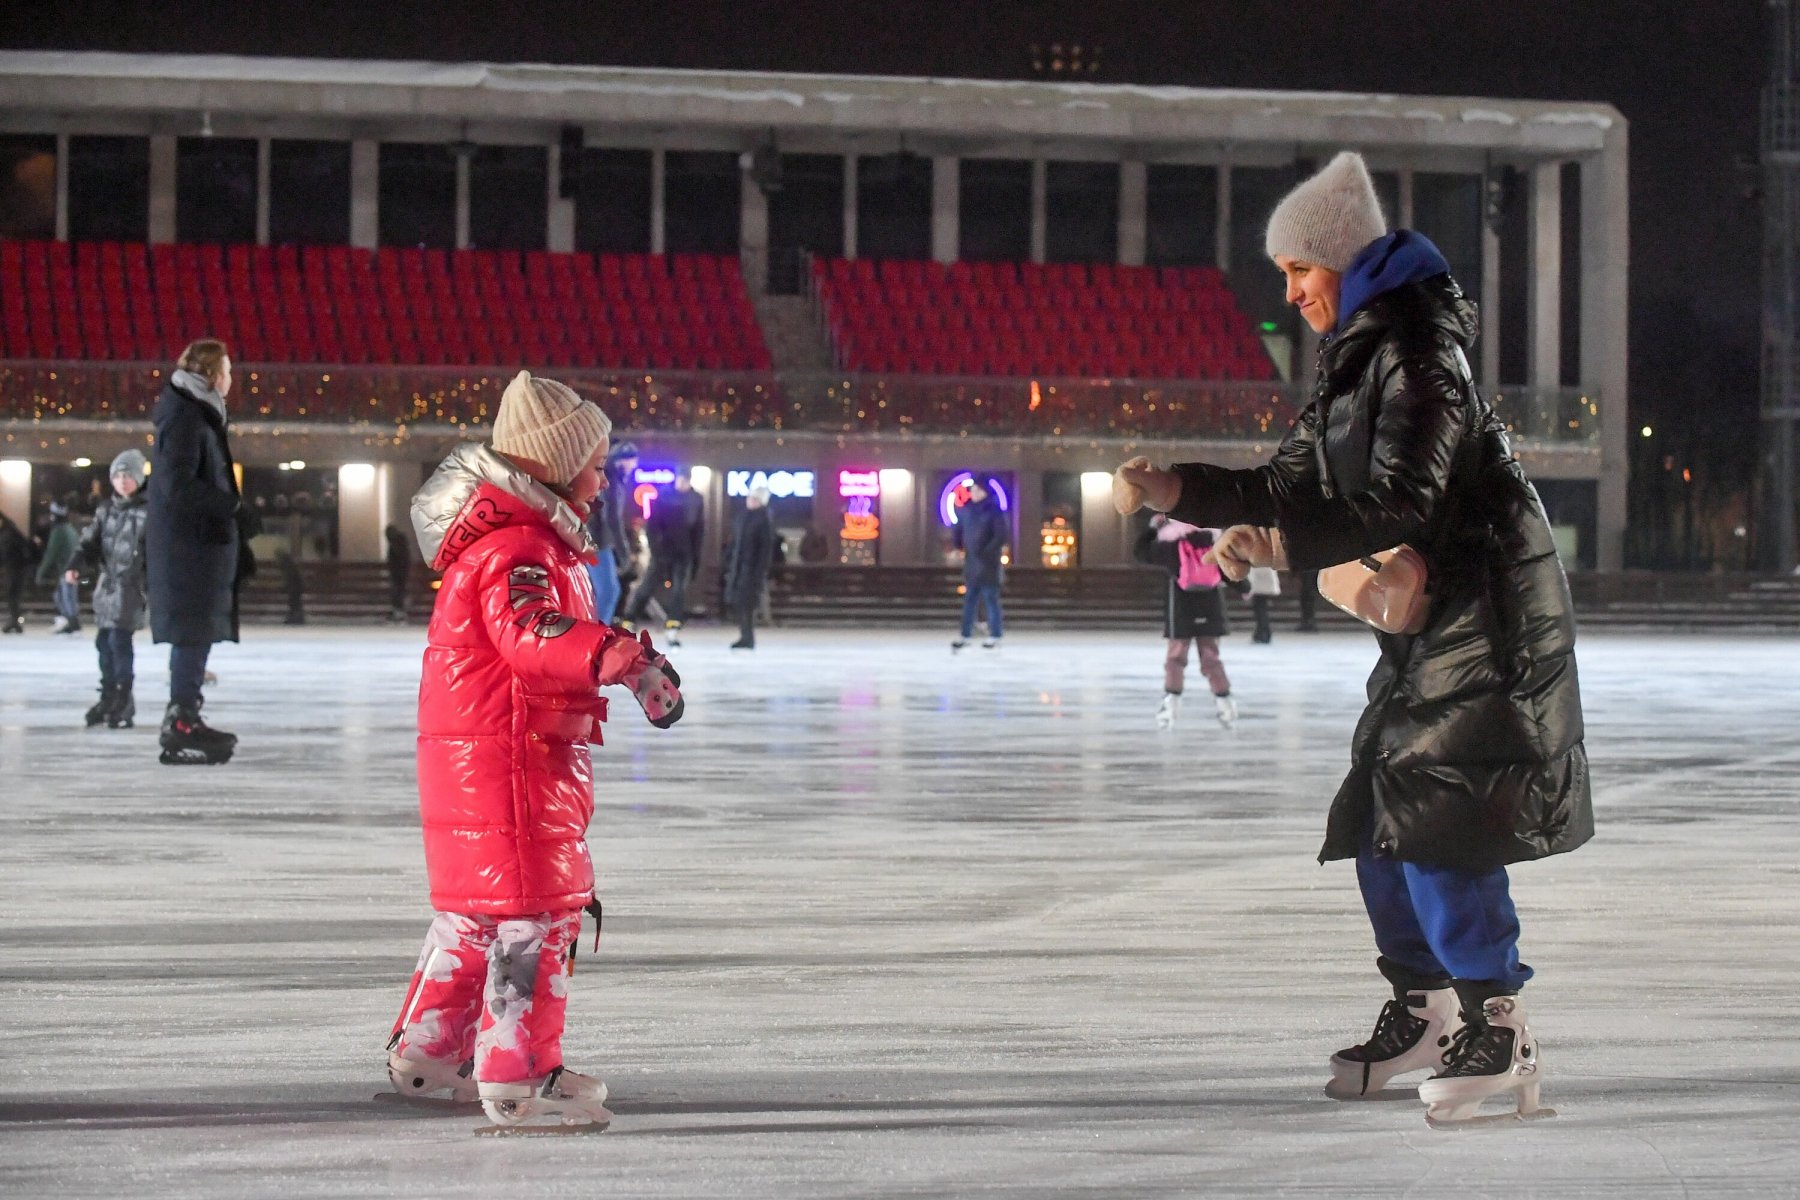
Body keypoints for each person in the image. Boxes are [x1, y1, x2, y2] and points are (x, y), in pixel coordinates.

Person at [1114, 151, 1591, 1127]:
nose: (1288, 294)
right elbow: (1290, 481)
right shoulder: (1354, 360)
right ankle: (1422, 1009)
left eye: (1298, 272)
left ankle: (1498, 1023)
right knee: (1381, 799)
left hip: (1487, 602)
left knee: (1443, 809)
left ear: (1342, 262)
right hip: (1433, 607)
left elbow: (1404, 498)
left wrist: (1290, 545)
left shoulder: (1419, 354)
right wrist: (1182, 489)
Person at [386, 370, 684, 1134]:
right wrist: (624, 657)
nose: (605, 474)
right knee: (536, 919)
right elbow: (531, 634)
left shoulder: (513, 542)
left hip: (488, 756)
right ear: (550, 466)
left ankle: (428, 1053)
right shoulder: (519, 548)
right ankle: (519, 1074)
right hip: (512, 764)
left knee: (478, 917)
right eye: (595, 459)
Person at [146, 338, 254, 766]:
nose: (231, 379)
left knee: (198, 631)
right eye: (227, 370)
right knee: (193, 631)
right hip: (188, 551)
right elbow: (178, 485)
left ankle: (185, 714)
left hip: (196, 548)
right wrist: (233, 507)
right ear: (212, 375)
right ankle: (182, 719)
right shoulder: (188, 416)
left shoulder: (197, 412)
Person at [68, 449, 150, 728]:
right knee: (103, 641)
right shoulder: (106, 510)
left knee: (119, 640)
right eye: (118, 475)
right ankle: (108, 694)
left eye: (129, 475)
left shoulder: (149, 511)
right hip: (107, 586)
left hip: (132, 586)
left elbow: (157, 552)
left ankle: (123, 698)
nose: (123, 481)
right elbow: (89, 542)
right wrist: (75, 564)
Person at [1133, 514, 1236, 729]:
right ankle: (1225, 701)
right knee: (1211, 657)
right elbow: (1230, 571)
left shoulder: (1171, 544)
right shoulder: (1214, 542)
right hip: (1210, 606)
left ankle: (1171, 703)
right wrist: (1244, 588)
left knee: (1176, 658)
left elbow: (1141, 553)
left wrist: (1153, 529)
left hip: (1180, 608)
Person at [621, 468, 702, 645]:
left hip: (684, 552)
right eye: (681, 481)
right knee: (647, 586)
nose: (683, 485)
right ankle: (629, 620)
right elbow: (652, 525)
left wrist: (696, 557)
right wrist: (655, 548)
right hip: (663, 551)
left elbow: (698, 530)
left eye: (686, 481)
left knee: (679, 591)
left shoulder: (696, 499)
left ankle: (672, 627)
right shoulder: (665, 496)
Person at [584, 441, 637, 624]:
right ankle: (595, 638)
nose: (634, 466)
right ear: (622, 460)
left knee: (603, 591)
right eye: (632, 461)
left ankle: (595, 634)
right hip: (596, 542)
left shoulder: (609, 477)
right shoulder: (611, 481)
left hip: (594, 540)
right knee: (608, 591)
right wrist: (624, 554)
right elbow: (612, 519)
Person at [950, 479, 1007, 652]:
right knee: (970, 600)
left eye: (976, 490)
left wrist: (988, 551)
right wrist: (959, 545)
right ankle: (965, 634)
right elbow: (958, 530)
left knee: (990, 599)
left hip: (989, 564)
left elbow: (1001, 535)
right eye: (972, 490)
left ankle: (995, 635)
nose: (972, 494)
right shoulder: (967, 510)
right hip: (972, 563)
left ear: (984, 492)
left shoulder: (994, 512)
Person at [723, 485, 775, 650]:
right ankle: (745, 635)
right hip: (738, 567)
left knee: (747, 603)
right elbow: (735, 543)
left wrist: (760, 571)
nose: (749, 501)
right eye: (749, 497)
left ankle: (748, 637)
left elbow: (765, 549)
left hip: (751, 569)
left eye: (753, 498)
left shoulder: (763, 520)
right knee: (738, 602)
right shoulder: (742, 517)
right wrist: (729, 558)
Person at [36, 498, 81, 634]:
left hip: (66, 569)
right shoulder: (70, 529)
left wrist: (40, 572)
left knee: (65, 596)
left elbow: (51, 554)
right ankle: (69, 621)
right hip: (73, 568)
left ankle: (72, 623)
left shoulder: (59, 531)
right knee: (64, 595)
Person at [0, 508, 33, 634]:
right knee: (14, 595)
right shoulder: (12, 532)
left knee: (12, 595)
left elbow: (4, 554)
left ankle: (14, 621)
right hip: (18, 569)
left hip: (15, 569)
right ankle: (15, 620)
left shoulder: (7, 535)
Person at [1246, 563, 1280, 643]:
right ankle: (1262, 632)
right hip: (1265, 574)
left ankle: (1263, 633)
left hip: (1259, 576)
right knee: (1261, 607)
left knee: (1260, 608)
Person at [384, 523, 411, 622]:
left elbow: (400, 559)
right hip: (398, 572)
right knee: (398, 592)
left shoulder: (397, 544)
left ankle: (400, 612)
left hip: (399, 572)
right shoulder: (397, 544)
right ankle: (399, 612)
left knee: (399, 592)